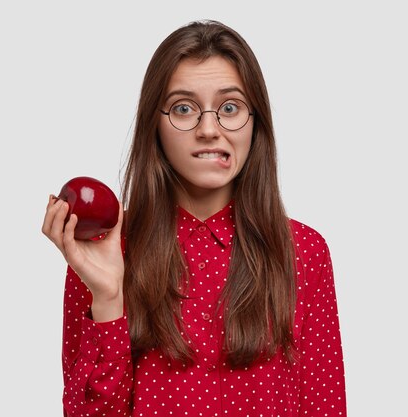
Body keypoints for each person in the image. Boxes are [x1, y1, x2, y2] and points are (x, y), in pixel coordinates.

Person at [42, 20, 347, 417]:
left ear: (256, 123)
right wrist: (108, 297)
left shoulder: (304, 252)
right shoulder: (104, 251)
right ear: (155, 123)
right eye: (184, 108)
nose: (209, 130)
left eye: (230, 108)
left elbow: (325, 407)